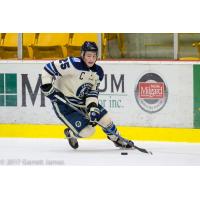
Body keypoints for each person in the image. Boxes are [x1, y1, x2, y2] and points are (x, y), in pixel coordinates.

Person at [40, 41, 134, 149]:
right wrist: (47, 85)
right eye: (88, 55)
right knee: (88, 131)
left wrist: (92, 107)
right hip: (64, 103)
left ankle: (117, 139)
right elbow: (48, 68)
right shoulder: (72, 64)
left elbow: (92, 92)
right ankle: (70, 133)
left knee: (105, 119)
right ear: (82, 55)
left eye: (94, 56)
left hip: (82, 101)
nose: (91, 59)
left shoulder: (98, 72)